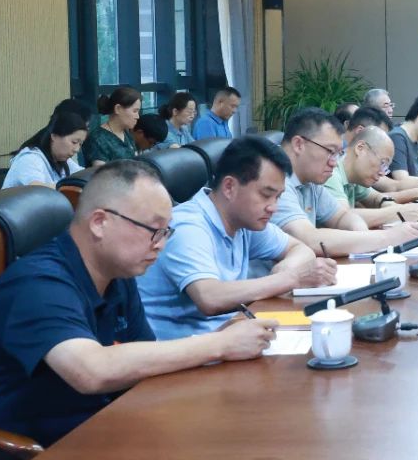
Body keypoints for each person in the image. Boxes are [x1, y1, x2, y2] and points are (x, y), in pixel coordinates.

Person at [0, 162, 277, 460]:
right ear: (99, 222)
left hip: (78, 435)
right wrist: (219, 345)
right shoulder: (39, 284)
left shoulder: (117, 276)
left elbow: (145, 363)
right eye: (153, 230)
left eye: (166, 231)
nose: (161, 243)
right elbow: (91, 370)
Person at [137, 137, 336, 340]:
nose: (273, 207)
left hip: (227, 337)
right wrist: (291, 278)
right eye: (266, 195)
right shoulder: (188, 226)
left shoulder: (245, 221)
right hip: (183, 351)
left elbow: (300, 249)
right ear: (229, 187)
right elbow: (209, 297)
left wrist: (285, 269)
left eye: (277, 197)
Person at [272, 107, 418, 255]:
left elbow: (342, 216)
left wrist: (363, 235)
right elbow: (309, 239)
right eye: (330, 151)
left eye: (338, 154)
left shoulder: (310, 181)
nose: (334, 162)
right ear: (299, 144)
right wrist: (386, 238)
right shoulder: (274, 180)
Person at [325, 110, 418, 225]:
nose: (382, 173)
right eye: (382, 163)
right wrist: (398, 212)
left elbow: (376, 198)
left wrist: (391, 205)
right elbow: (343, 217)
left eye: (386, 168)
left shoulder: (354, 176)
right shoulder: (331, 173)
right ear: (360, 148)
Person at [3, 111, 88, 189]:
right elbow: (38, 189)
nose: (77, 149)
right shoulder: (29, 158)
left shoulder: (63, 160)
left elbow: (84, 175)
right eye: (74, 142)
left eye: (80, 144)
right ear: (54, 136)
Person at [81, 86, 141, 164]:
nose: (137, 116)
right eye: (135, 111)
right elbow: (101, 170)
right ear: (118, 109)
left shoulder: (126, 134)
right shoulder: (98, 138)